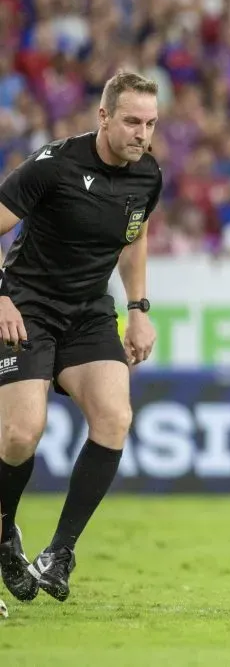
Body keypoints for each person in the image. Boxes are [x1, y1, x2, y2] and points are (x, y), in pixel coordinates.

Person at [0, 71, 163, 603]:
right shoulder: (54, 166)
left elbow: (132, 237)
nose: (143, 133)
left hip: (89, 312)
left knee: (115, 418)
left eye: (151, 124)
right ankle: (5, 538)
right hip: (26, 309)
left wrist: (138, 308)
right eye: (132, 121)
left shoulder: (147, 176)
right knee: (22, 434)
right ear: (104, 117)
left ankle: (59, 552)